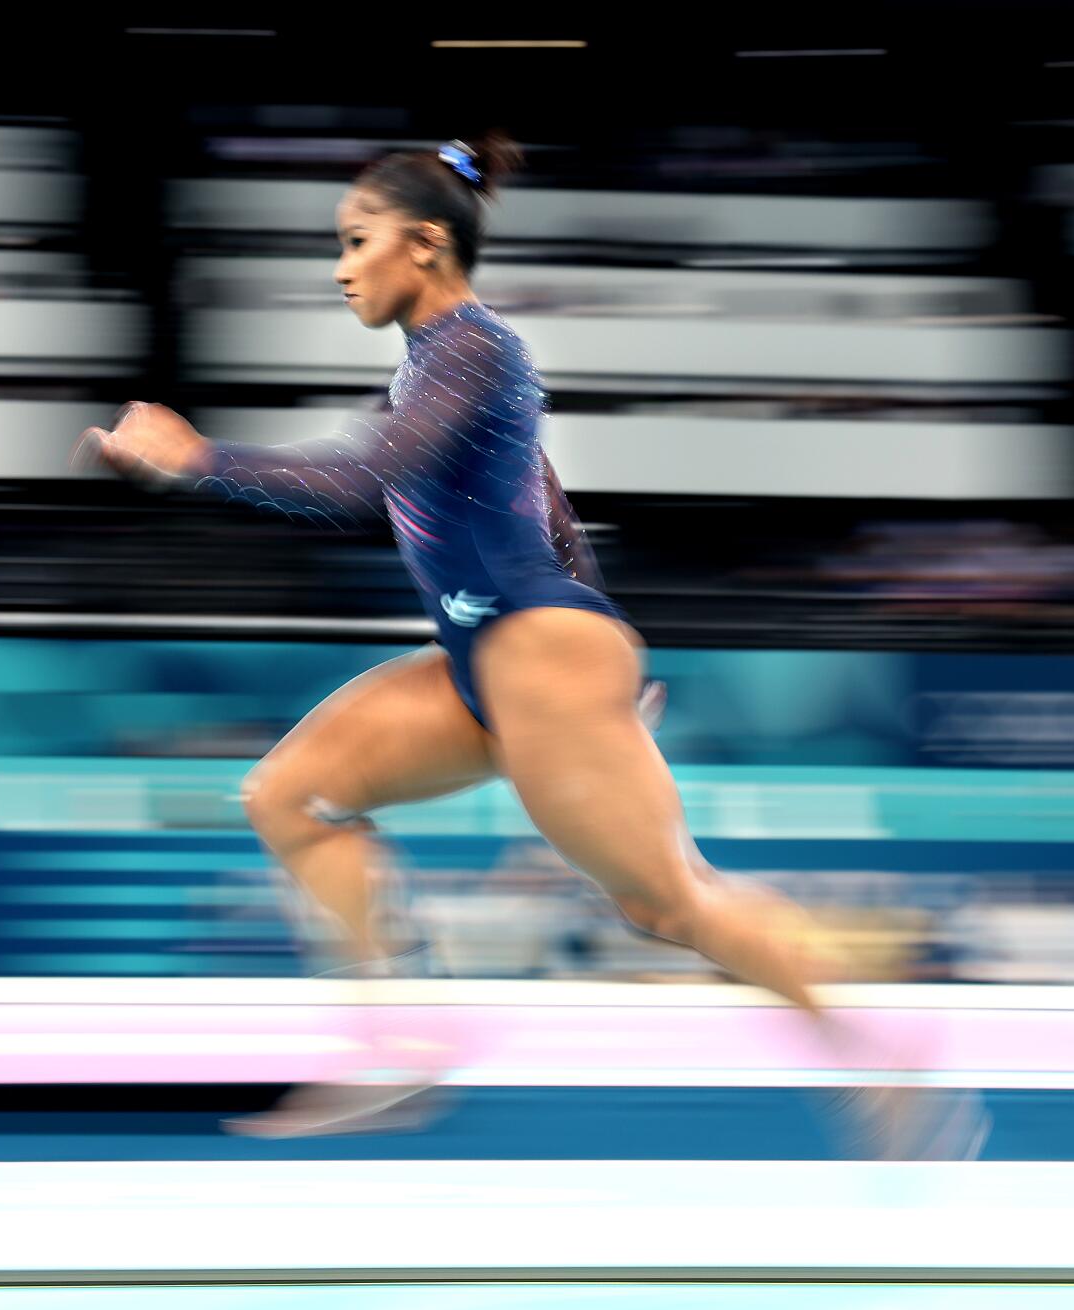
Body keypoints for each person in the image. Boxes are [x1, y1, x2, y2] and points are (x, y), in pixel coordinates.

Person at [74, 134, 985, 1157]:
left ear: (421, 244)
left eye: (354, 241)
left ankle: (876, 1046)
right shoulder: (434, 376)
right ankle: (401, 1042)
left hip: (531, 653)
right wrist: (600, 675)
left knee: (666, 901)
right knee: (285, 794)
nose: (338, 268)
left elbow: (362, 483)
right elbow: (548, 523)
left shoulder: (472, 350)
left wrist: (200, 457)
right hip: (500, 662)